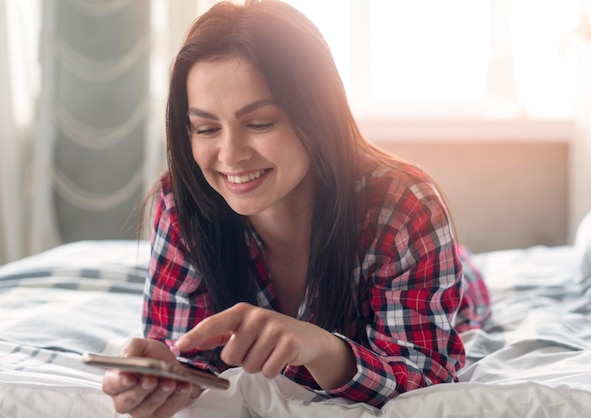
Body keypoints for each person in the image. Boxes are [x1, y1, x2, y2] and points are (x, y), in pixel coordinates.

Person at [102, 0, 490, 416]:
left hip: (453, 287)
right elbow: (186, 353)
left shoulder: (405, 205)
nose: (230, 155)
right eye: (207, 128)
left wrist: (322, 348)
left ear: (316, 117)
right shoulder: (181, 204)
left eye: (260, 123)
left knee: (468, 285)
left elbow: (429, 374)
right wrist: (166, 375)